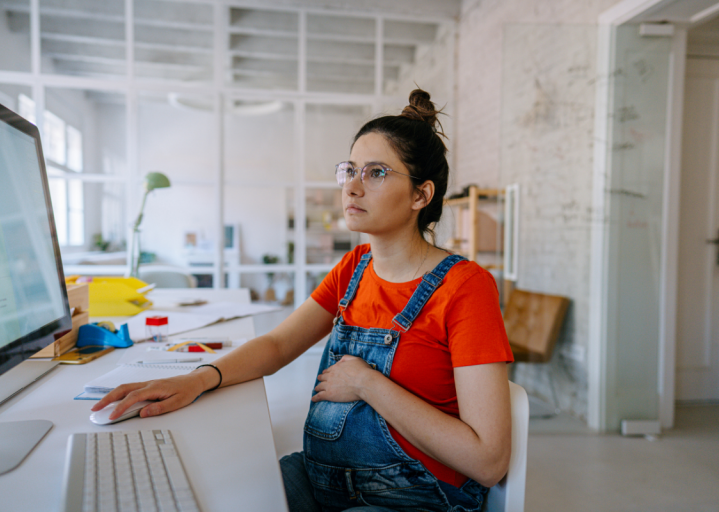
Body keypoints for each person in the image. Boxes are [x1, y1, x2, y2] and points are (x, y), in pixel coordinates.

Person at [93, 89, 514, 512]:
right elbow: (278, 345)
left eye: (376, 173)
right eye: (350, 170)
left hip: (417, 498)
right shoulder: (355, 267)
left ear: (421, 196)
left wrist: (368, 384)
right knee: (213, 495)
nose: (352, 187)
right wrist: (198, 379)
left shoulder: (465, 287)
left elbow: (487, 461)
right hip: (324, 479)